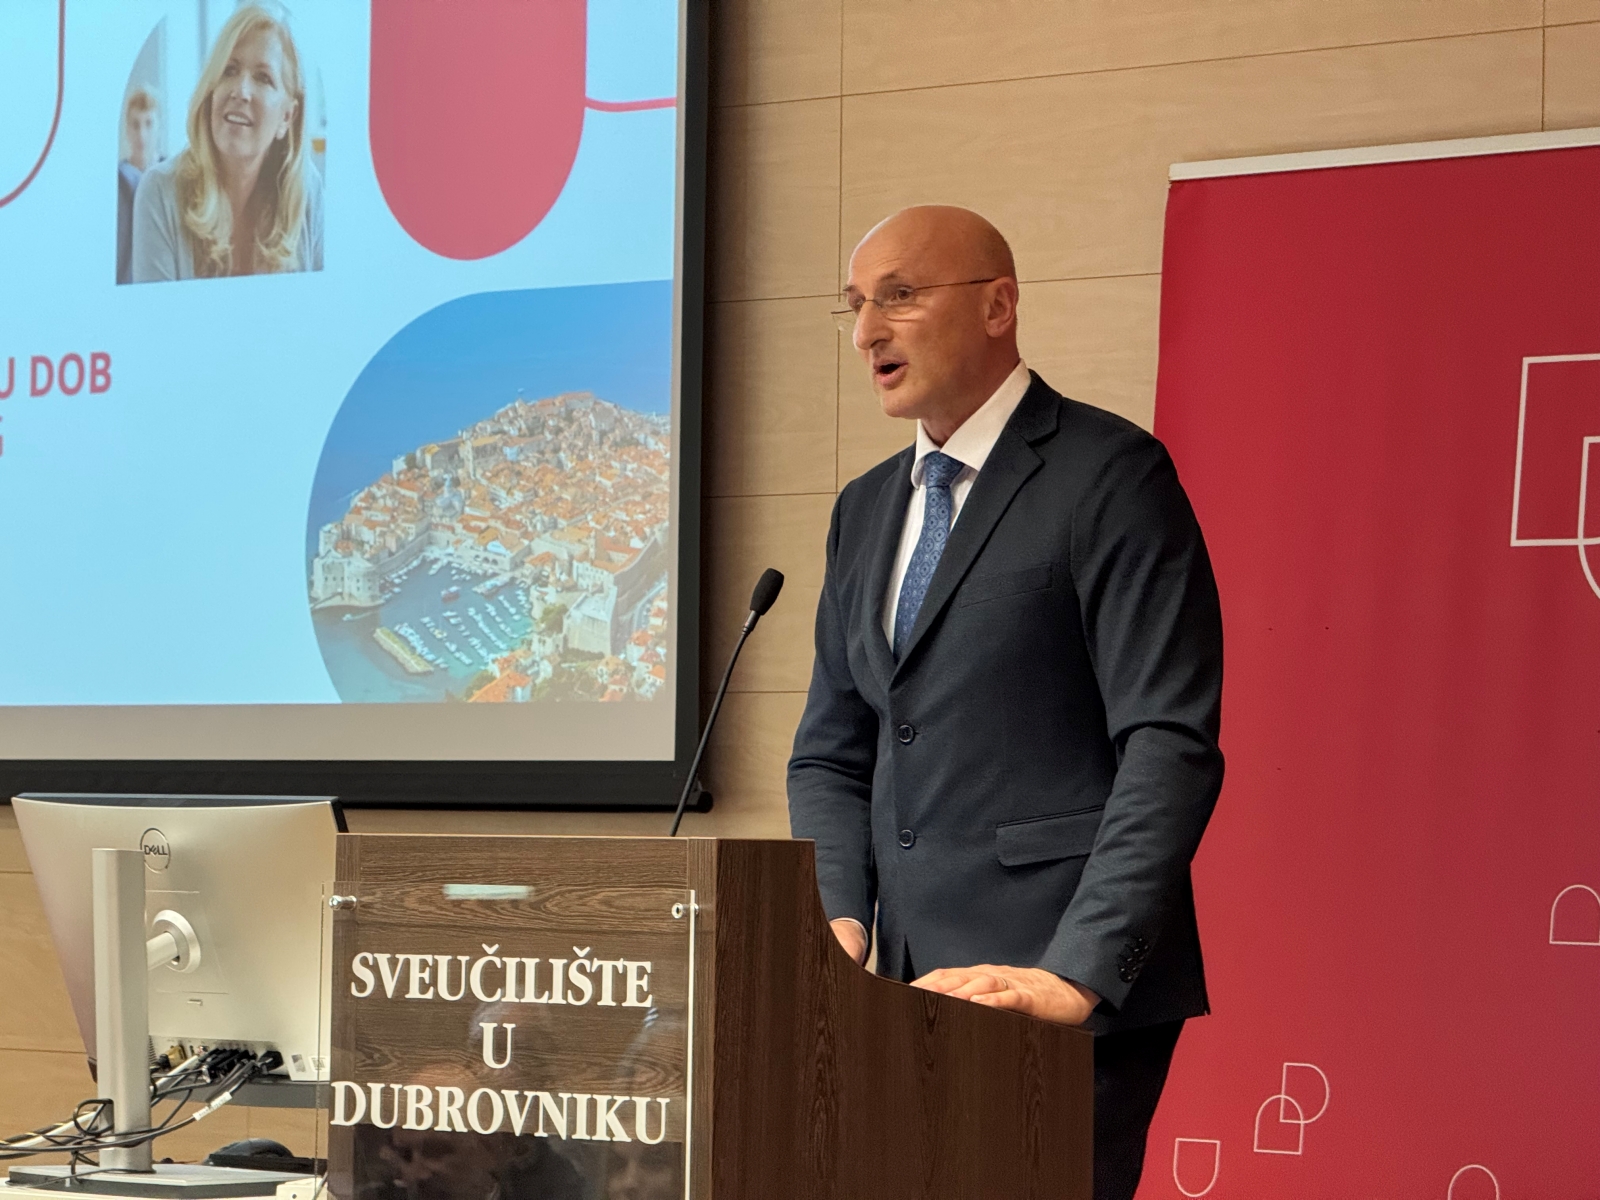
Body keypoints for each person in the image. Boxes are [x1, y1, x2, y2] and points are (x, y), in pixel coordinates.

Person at [788, 205, 1224, 1200]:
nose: (866, 332)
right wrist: (837, 918)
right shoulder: (864, 509)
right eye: (856, 305)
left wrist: (1078, 973)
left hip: (1056, 994)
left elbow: (1169, 743)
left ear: (998, 306)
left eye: (899, 295)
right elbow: (831, 752)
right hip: (900, 994)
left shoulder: (1109, 475)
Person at [131, 2, 322, 283]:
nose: (241, 91)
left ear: (286, 117)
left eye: (263, 78)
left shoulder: (307, 192)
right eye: (229, 70)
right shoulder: (159, 192)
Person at [116, 88, 159, 284]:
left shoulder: (174, 178)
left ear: (159, 127)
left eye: (149, 124)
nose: (142, 135)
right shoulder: (117, 182)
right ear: (127, 129)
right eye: (135, 125)